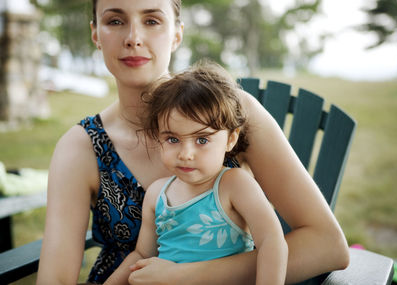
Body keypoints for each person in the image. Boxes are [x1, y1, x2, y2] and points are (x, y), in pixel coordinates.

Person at [37, 0, 349, 284]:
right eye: (115, 21)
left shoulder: (228, 112)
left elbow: (327, 244)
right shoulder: (81, 147)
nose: (133, 37)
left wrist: (185, 276)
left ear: (176, 34)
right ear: (96, 34)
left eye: (152, 21)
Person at [104, 61, 288, 285]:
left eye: (202, 140)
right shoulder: (157, 194)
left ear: (231, 139)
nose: (186, 154)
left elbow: (271, 241)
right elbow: (143, 254)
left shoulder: (233, 185)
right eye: (172, 139)